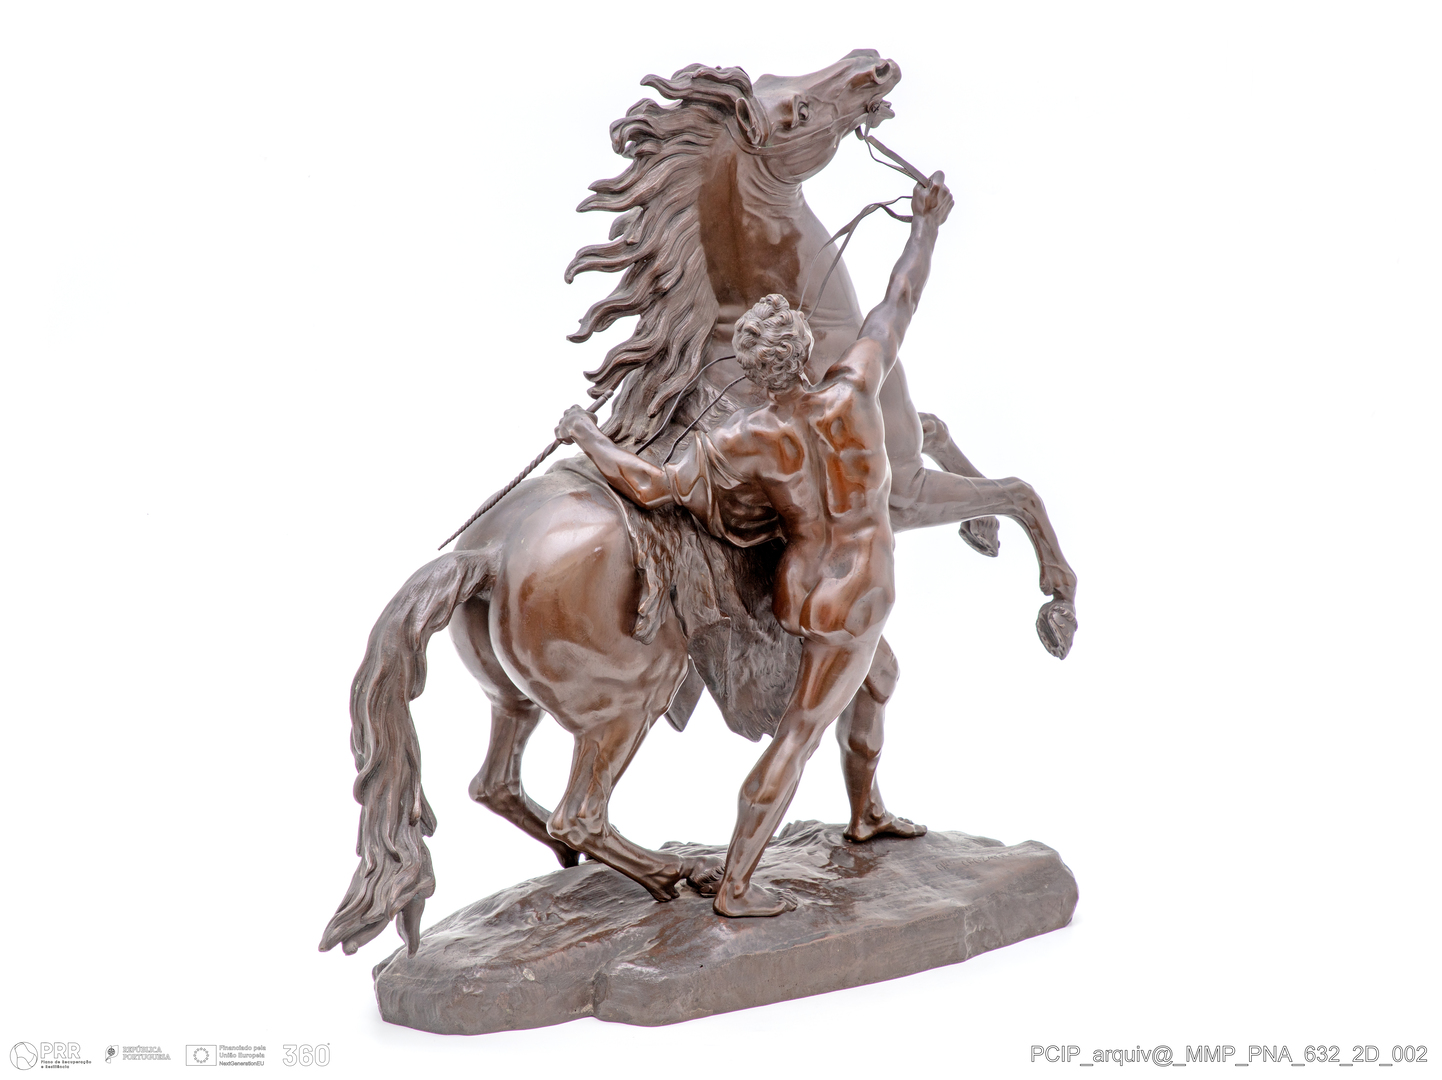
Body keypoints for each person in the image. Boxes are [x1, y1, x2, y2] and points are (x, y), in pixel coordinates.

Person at [557, 172, 955, 916]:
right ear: (804, 349)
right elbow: (898, 300)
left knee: (877, 679)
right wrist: (925, 226)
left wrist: (587, 435)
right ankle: (737, 887)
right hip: (857, 590)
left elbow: (653, 486)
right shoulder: (855, 387)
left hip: (798, 587)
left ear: (752, 368)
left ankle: (866, 812)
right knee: (800, 734)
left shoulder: (743, 437)